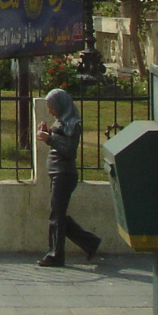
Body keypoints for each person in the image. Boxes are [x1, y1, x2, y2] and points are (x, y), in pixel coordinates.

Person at [36, 88, 101, 267]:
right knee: (58, 214)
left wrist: (50, 139)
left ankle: (55, 254)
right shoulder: (61, 121)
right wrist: (47, 133)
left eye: (51, 108)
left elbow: (69, 150)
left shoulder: (73, 124)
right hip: (57, 172)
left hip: (64, 174)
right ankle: (90, 243)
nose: (50, 111)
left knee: (56, 215)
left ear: (60, 106)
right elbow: (59, 139)